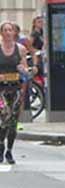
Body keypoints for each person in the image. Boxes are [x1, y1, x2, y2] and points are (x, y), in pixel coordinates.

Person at [0, 21, 28, 164]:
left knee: (13, 122)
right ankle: (0, 145)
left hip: (15, 88)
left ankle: (9, 151)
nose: (8, 33)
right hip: (1, 90)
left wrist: (23, 70)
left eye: (10, 30)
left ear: (14, 33)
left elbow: (26, 70)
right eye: (5, 30)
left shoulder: (21, 49)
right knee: (5, 116)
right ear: (1, 33)